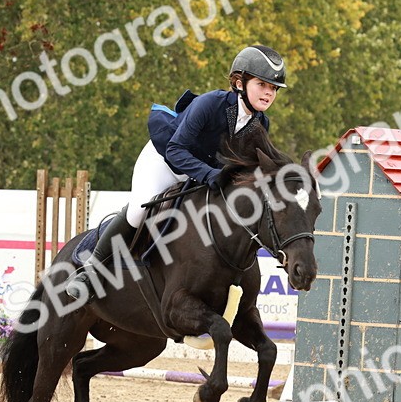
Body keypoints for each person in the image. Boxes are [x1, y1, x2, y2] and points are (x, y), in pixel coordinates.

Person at [66, 44, 288, 299]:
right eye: (262, 84)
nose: (269, 93)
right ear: (239, 82)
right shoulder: (210, 104)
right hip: (164, 161)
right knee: (140, 209)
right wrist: (208, 174)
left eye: (273, 88)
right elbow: (175, 150)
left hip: (201, 174)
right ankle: (90, 270)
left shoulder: (260, 123)